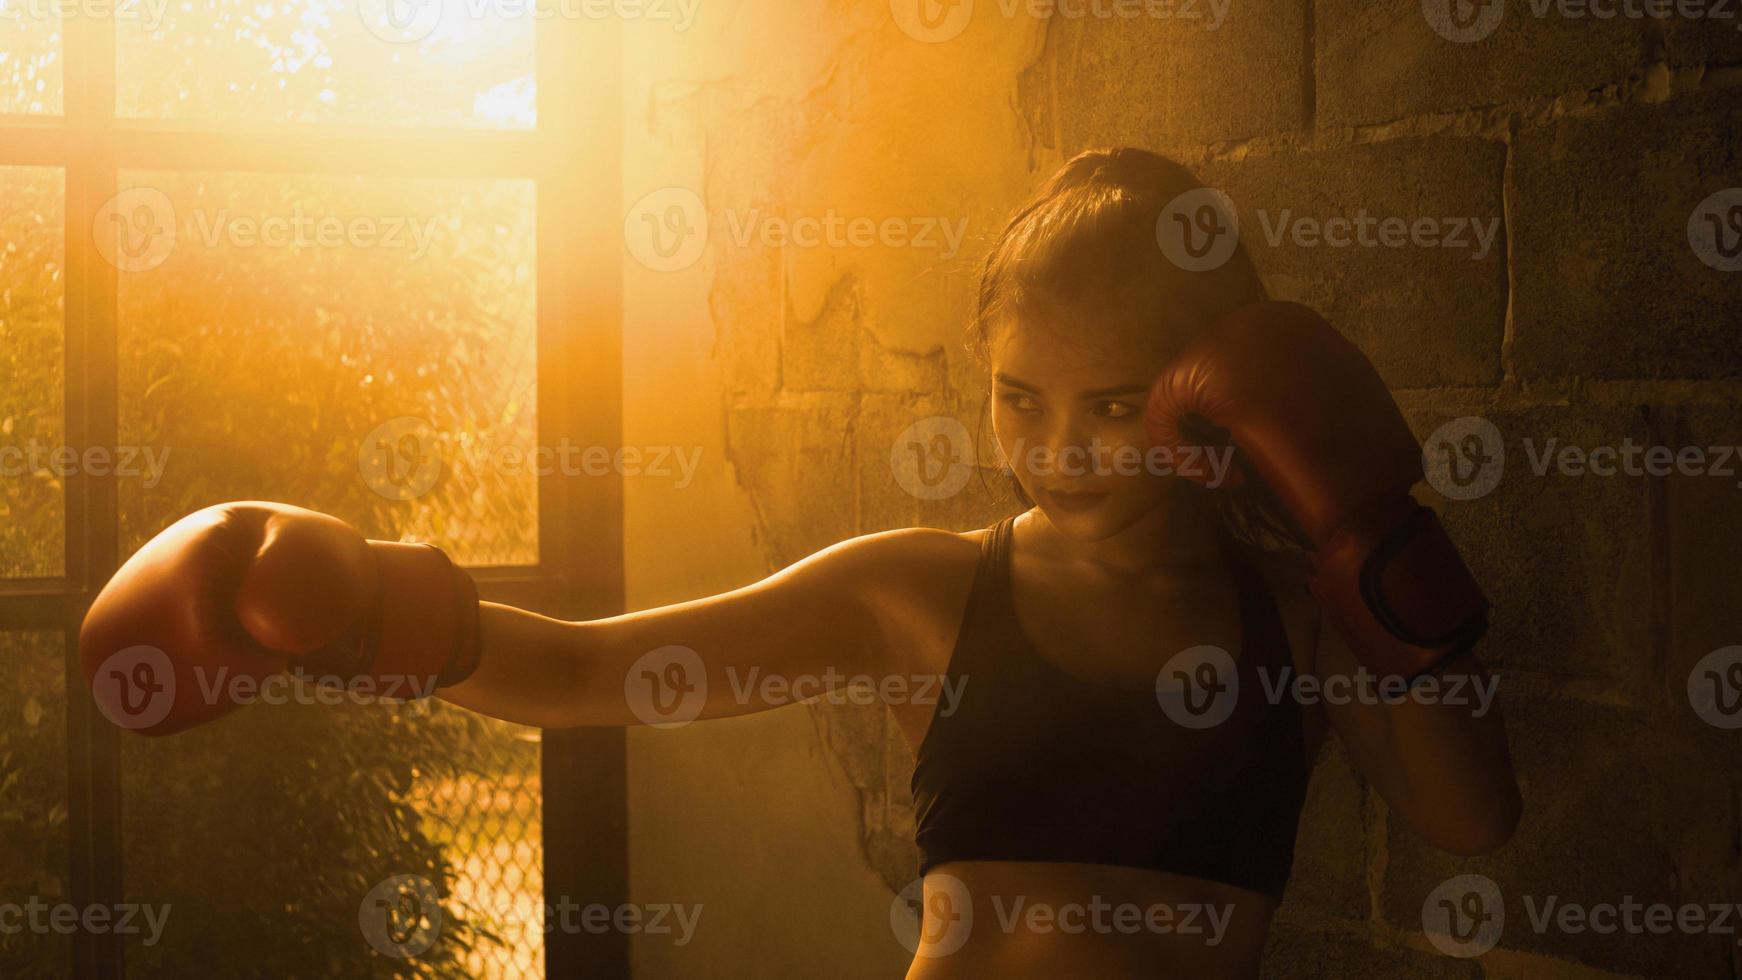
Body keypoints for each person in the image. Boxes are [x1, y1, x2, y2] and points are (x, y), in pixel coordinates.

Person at [80, 148, 1520, 979]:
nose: (1061, 451)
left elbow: (1464, 820)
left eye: (1111, 407)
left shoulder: (1289, 608)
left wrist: (1371, 547)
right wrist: (358, 612)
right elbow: (591, 672)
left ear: (1205, 395)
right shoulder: (919, 591)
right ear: (982, 375)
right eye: (1021, 400)